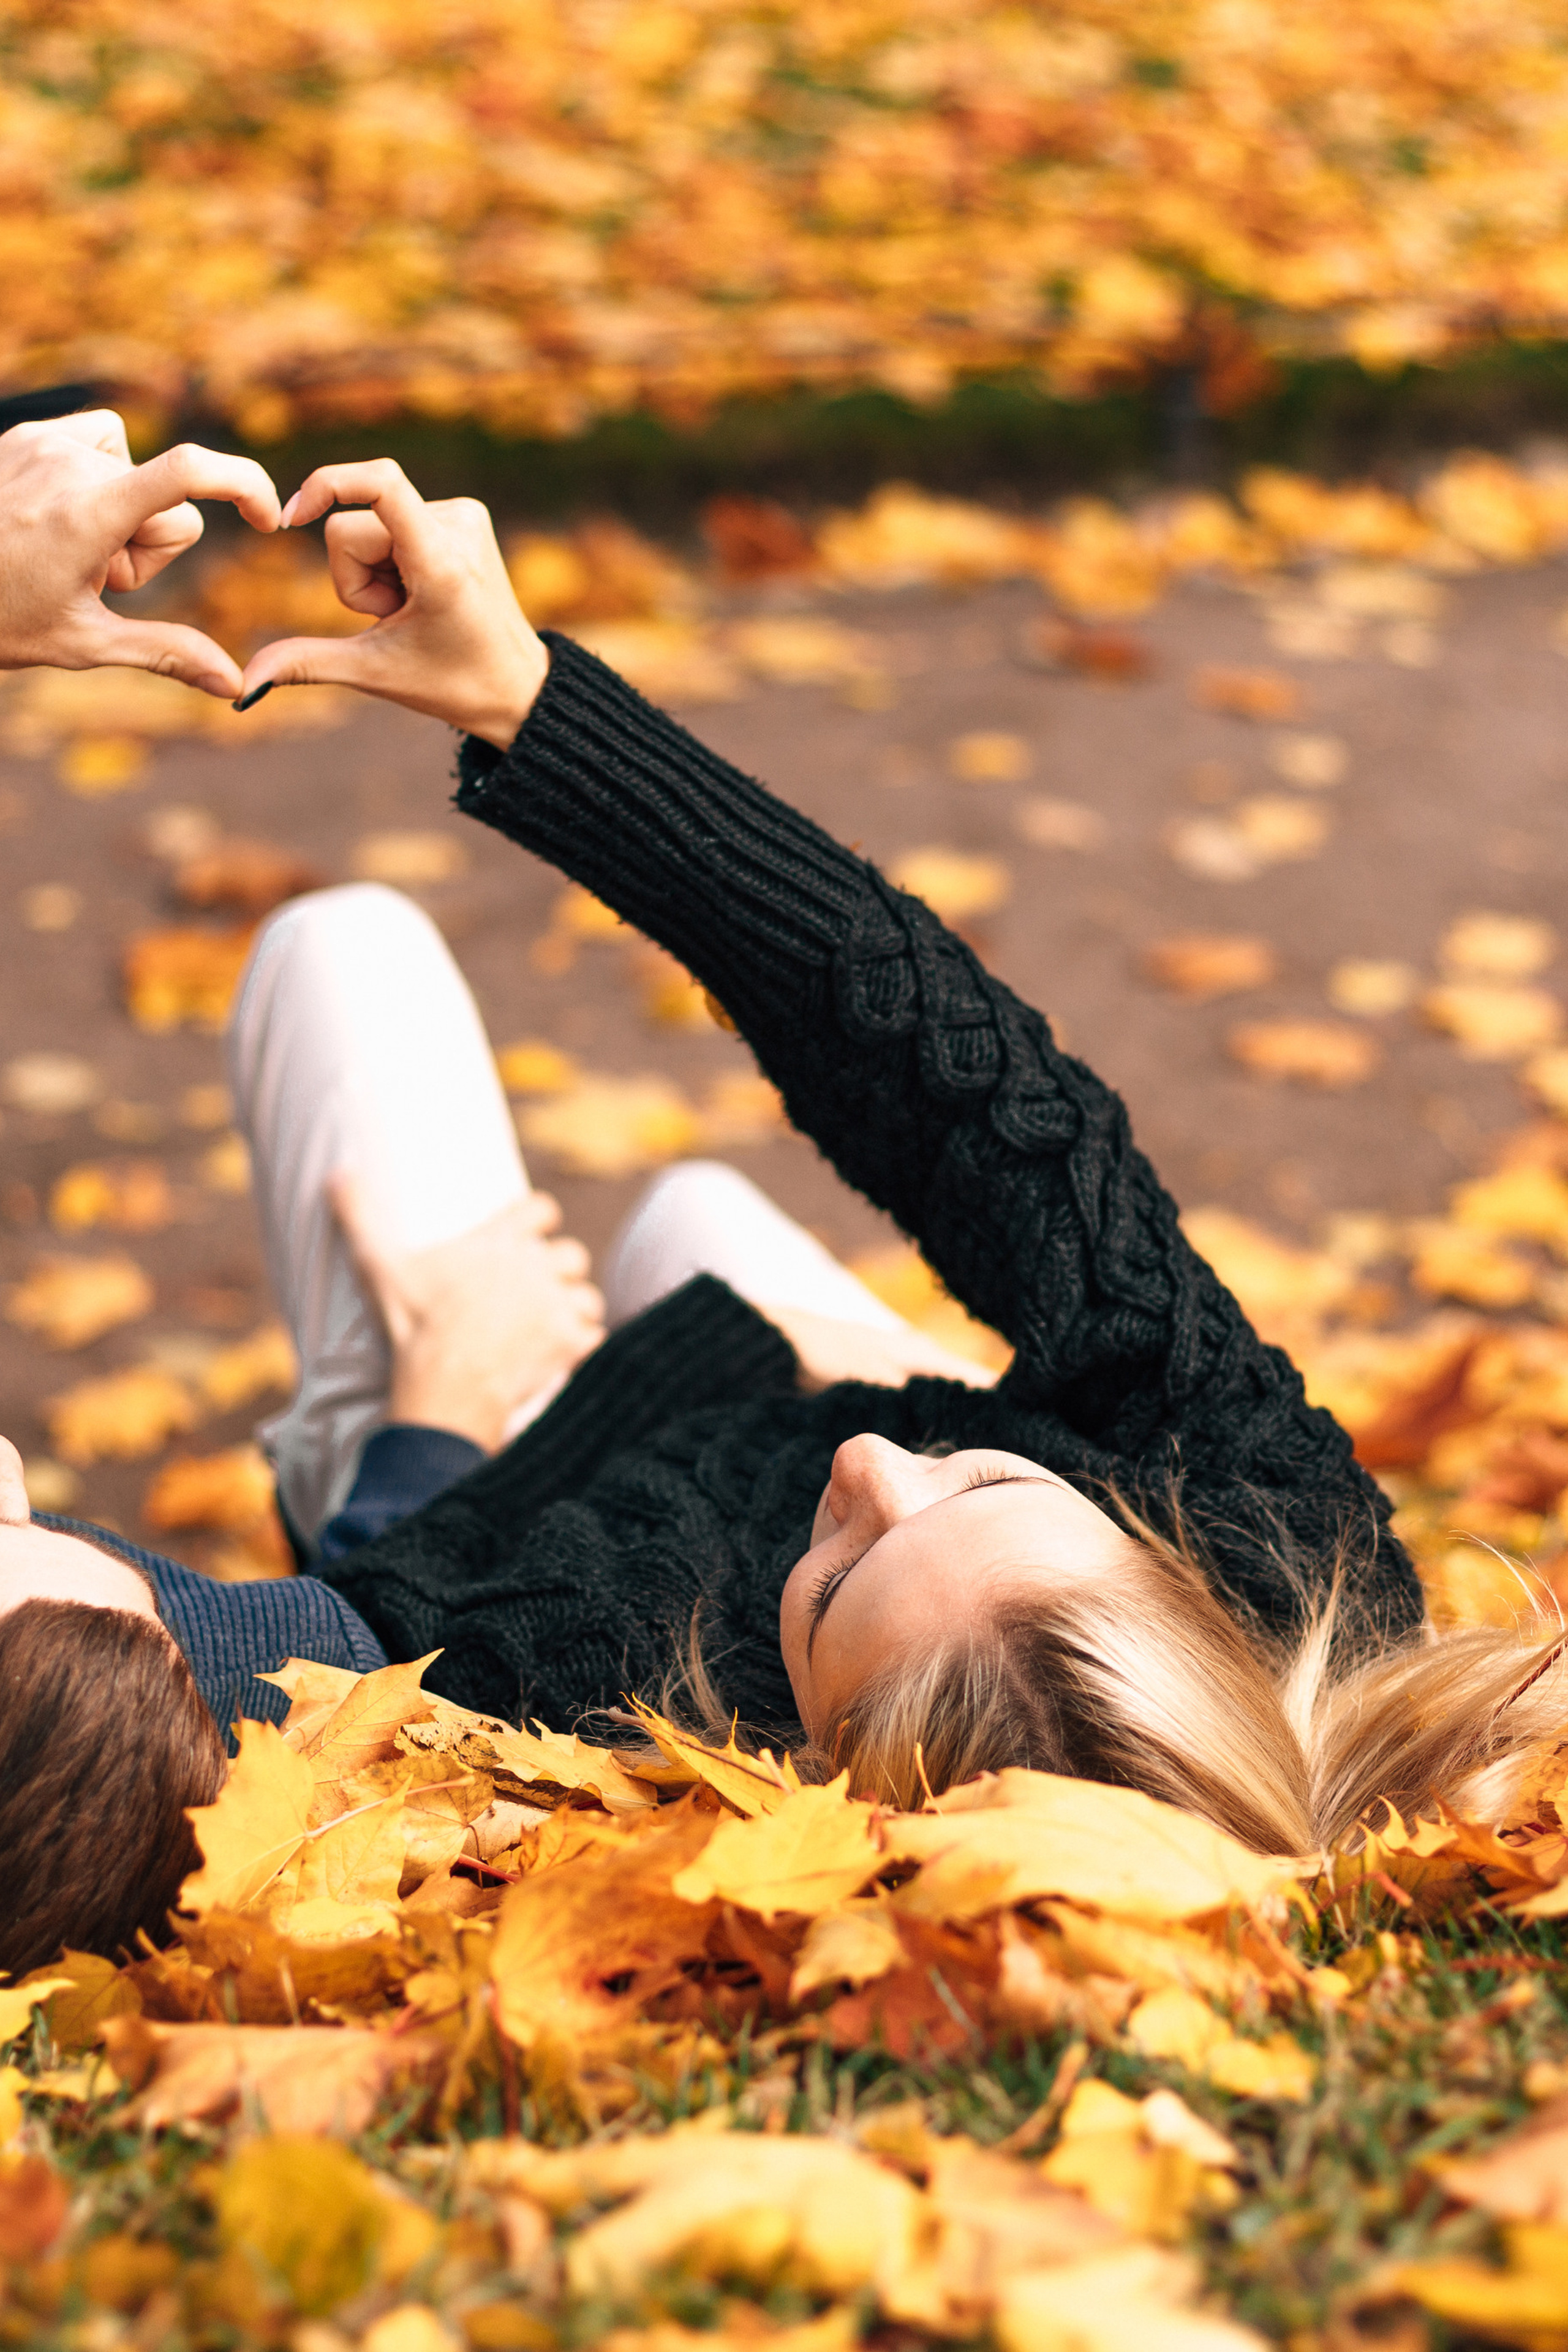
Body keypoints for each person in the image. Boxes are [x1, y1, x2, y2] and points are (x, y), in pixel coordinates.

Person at [4, 434, 1565, 1980]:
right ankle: (874, 1449)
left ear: (818, 1792)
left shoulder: (615, 1740)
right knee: (699, 1217)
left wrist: (443, 1410)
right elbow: (971, 1101)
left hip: (496, 1496)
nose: (869, 1466)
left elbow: (332, 1660)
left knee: (338, 953)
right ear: (1159, 1575)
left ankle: (409, 1414)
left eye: (832, 1587)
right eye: (983, 1490)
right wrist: (529, 701)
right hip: (738, 1393)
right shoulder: (1290, 1563)